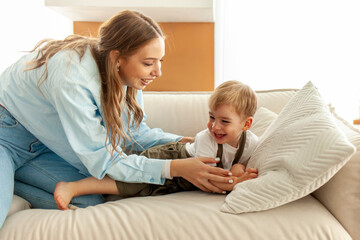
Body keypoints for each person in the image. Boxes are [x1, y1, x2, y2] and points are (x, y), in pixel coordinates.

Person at [0, 10, 233, 228]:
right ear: (117, 57)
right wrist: (175, 168)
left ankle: (12, 180)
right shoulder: (72, 78)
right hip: (6, 136)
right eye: (148, 63)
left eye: (160, 61)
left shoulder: (124, 76)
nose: (158, 72)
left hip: (45, 142)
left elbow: (135, 134)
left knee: (88, 201)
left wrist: (189, 143)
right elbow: (105, 161)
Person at [53, 80, 259, 210]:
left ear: (246, 124)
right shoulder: (207, 140)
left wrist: (237, 172)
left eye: (224, 121)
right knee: (135, 179)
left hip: (184, 180)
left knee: (139, 189)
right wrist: (237, 180)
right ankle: (73, 187)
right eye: (212, 117)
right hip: (174, 158)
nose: (215, 126)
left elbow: (237, 167)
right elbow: (210, 181)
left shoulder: (251, 144)